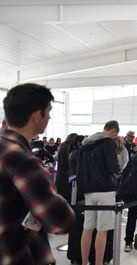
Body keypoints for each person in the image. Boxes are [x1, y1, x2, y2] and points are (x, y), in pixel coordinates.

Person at [0, 83, 74, 265]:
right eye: (48, 111)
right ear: (36, 116)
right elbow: (60, 221)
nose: (49, 117)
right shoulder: (23, 162)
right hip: (21, 255)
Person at [79, 120, 120, 265]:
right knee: (103, 230)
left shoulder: (85, 145)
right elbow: (113, 167)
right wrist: (117, 168)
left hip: (88, 190)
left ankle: (84, 262)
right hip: (105, 190)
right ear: (114, 131)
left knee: (87, 228)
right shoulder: (108, 143)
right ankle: (98, 263)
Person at [55, 133, 79, 203]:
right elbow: (68, 164)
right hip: (69, 178)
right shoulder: (70, 149)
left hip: (61, 178)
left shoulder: (62, 147)